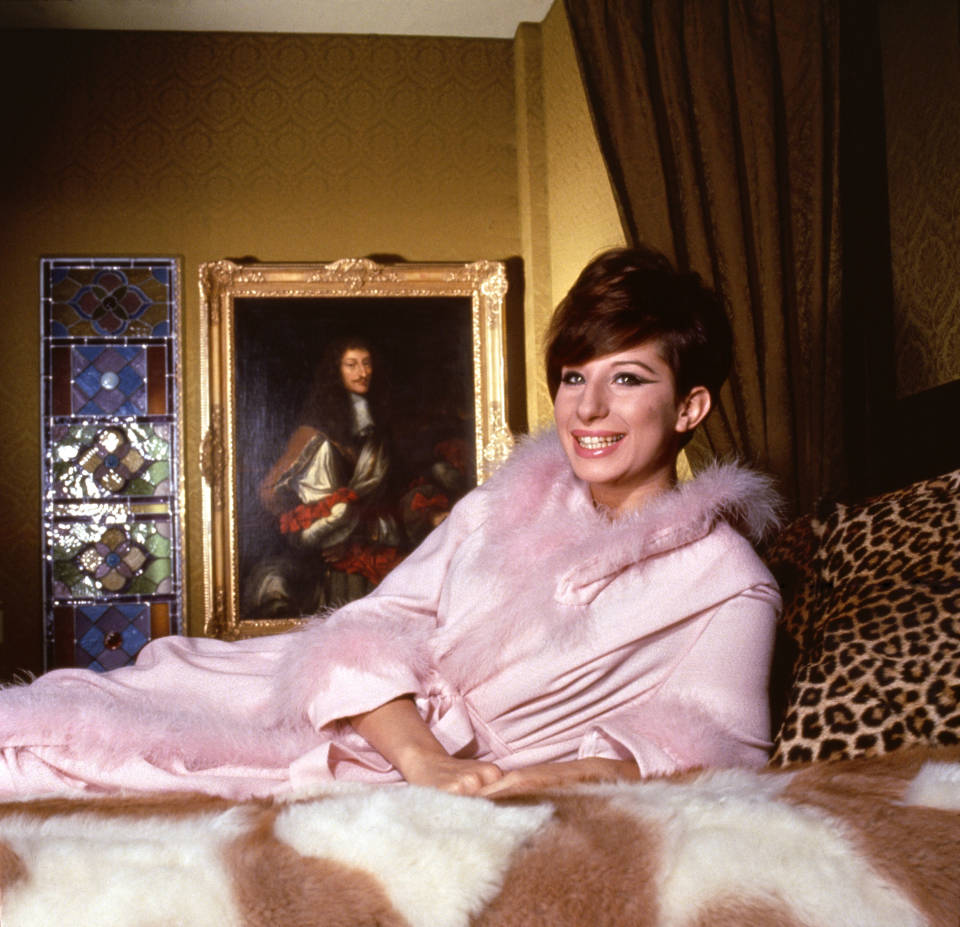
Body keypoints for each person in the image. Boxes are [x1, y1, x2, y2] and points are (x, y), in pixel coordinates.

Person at [0, 246, 781, 801]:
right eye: (575, 376)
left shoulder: (726, 584)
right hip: (346, 716)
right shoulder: (501, 505)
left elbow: (712, 751)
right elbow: (362, 628)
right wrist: (422, 759)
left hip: (410, 763)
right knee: (78, 712)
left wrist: (511, 779)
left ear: (690, 407)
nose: (588, 407)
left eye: (628, 378)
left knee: (59, 768)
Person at [245, 337, 406, 616]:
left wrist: (355, 537)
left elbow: (387, 498)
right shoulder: (313, 431)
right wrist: (320, 532)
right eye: (351, 365)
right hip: (318, 557)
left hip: (369, 543)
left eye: (367, 364)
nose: (363, 372)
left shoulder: (377, 433)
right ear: (336, 372)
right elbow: (269, 491)